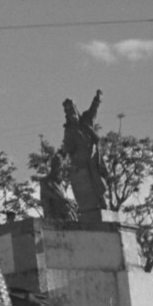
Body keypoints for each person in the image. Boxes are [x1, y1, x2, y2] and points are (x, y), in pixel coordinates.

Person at [61, 92, 109, 221]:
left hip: (92, 158)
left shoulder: (85, 120)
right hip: (79, 161)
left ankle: (103, 204)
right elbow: (68, 147)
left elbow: (93, 109)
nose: (71, 112)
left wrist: (97, 99)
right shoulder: (69, 130)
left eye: (72, 108)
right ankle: (88, 209)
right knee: (85, 188)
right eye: (68, 110)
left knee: (97, 183)